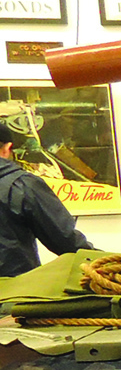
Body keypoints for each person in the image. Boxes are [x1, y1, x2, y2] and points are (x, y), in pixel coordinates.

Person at [0, 118, 93, 277]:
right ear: (7, 148)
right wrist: (106, 264)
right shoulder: (21, 185)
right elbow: (65, 241)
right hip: (12, 292)